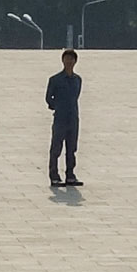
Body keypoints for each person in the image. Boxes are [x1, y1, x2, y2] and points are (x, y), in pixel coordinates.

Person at [46, 49, 84, 187]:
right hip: (60, 119)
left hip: (73, 118)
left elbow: (76, 96)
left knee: (72, 148)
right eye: (67, 59)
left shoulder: (77, 80)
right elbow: (48, 97)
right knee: (56, 148)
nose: (69, 62)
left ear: (75, 61)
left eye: (72, 59)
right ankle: (54, 175)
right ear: (63, 60)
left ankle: (70, 175)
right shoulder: (55, 79)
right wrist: (57, 107)